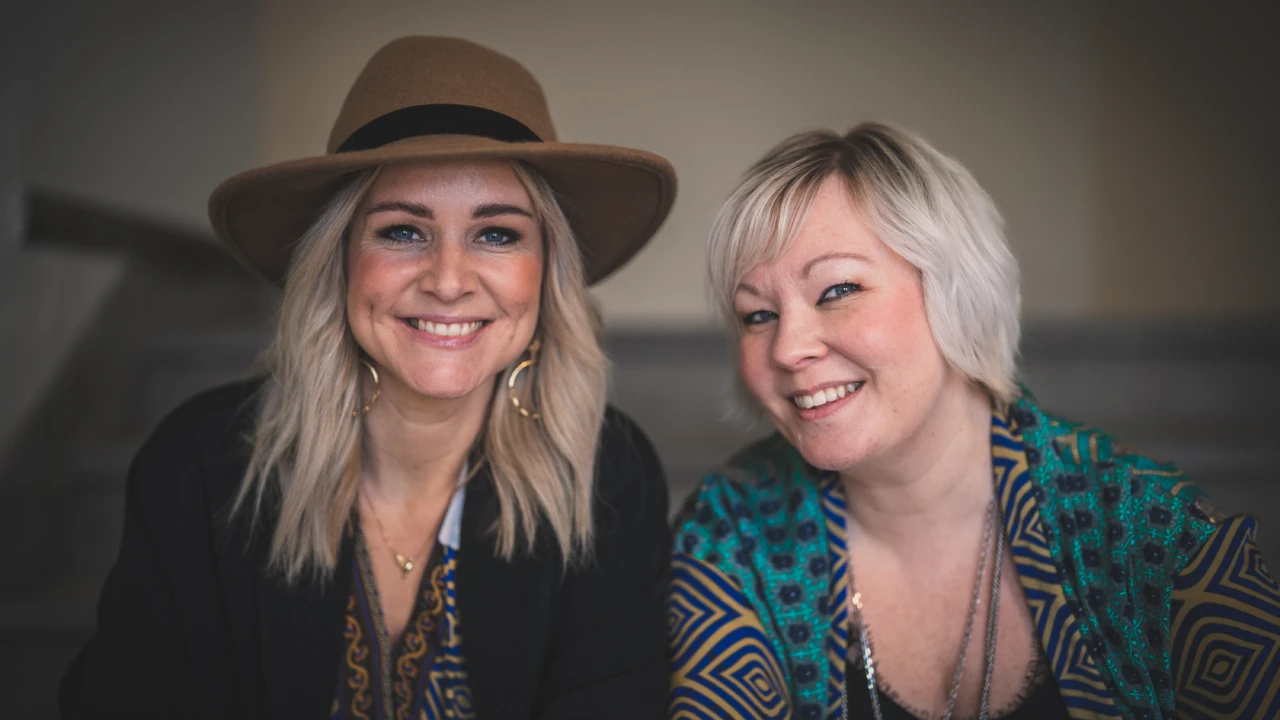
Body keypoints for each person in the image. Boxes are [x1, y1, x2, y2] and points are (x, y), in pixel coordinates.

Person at [60, 36, 676, 719]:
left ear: (547, 272)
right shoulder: (199, 467)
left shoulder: (605, 476)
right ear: (339, 260)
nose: (448, 281)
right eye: (402, 231)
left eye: (497, 234)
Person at [668, 122, 1280, 719]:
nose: (786, 349)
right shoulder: (732, 531)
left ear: (957, 293)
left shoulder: (1158, 533)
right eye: (757, 316)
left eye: (837, 290)